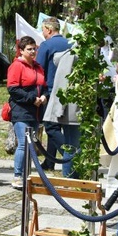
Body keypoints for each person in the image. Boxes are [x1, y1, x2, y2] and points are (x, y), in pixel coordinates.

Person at [8, 36, 47, 189]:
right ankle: (17, 175)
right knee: (23, 144)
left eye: (34, 48)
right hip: (21, 110)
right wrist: (32, 99)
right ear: (21, 51)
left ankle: (27, 174)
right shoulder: (17, 66)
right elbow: (13, 89)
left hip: (36, 111)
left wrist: (44, 96)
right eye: (29, 49)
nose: (32, 52)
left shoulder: (38, 66)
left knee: (32, 145)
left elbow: (44, 85)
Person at [35, 17, 72, 170]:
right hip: (68, 89)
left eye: (43, 30)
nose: (42, 33)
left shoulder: (46, 45)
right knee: (57, 127)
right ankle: (50, 161)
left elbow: (39, 68)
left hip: (50, 91)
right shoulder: (70, 43)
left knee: (50, 126)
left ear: (48, 30)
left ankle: (69, 156)